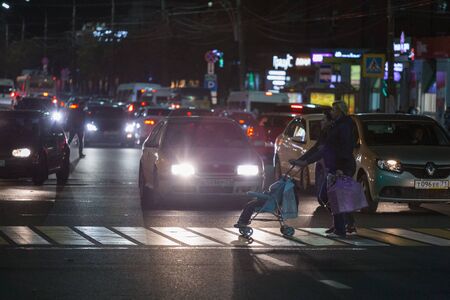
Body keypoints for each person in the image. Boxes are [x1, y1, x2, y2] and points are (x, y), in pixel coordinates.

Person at [291, 101, 356, 238]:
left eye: (333, 110)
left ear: (339, 111)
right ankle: (345, 222)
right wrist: (302, 161)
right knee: (325, 197)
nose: (332, 112)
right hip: (334, 167)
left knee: (335, 199)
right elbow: (318, 149)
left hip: (341, 167)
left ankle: (341, 228)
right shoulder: (334, 128)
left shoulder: (343, 126)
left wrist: (341, 168)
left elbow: (344, 148)